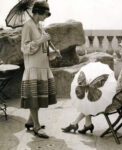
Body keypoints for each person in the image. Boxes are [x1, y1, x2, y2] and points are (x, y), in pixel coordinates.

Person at [62, 37, 122, 134]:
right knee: (91, 94)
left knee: (90, 97)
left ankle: (76, 124)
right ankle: (85, 124)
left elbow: (119, 87)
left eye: (121, 47)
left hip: (120, 99)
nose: (119, 49)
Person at [21, 1, 60, 138]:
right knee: (34, 98)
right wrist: (40, 40)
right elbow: (25, 48)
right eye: (45, 14)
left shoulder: (39, 26)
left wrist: (53, 53)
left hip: (43, 66)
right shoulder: (28, 26)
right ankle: (36, 127)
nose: (46, 17)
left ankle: (30, 121)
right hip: (33, 67)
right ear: (37, 11)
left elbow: (43, 49)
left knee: (37, 97)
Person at [62, 61, 117, 134]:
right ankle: (86, 124)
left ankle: (75, 124)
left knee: (87, 102)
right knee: (87, 102)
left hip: (113, 102)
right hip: (118, 98)